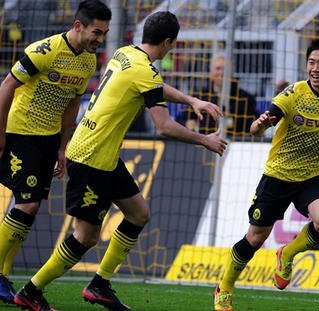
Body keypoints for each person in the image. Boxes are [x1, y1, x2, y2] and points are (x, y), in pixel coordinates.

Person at [13, 11, 227, 311]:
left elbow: (153, 86)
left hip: (104, 156)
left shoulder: (125, 54)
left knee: (139, 213)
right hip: (90, 158)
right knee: (86, 237)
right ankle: (31, 290)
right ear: (168, 43)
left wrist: (192, 101)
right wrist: (205, 140)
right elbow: (164, 125)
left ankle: (100, 285)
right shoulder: (146, 72)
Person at [213, 37, 319, 311]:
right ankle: (224, 287)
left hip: (315, 174)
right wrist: (259, 126)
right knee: (255, 238)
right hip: (279, 175)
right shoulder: (294, 93)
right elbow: (261, 124)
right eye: (310, 62)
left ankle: (288, 253)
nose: (314, 68)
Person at [0, 0, 111, 305]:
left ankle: (3, 276)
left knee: (28, 209)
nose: (99, 40)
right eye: (96, 32)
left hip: (48, 140)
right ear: (78, 26)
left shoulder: (88, 61)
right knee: (27, 205)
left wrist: (63, 146)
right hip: (20, 132)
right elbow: (7, 84)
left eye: (104, 34)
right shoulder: (44, 50)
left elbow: (73, 104)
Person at [176, 54, 259, 137]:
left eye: (225, 69)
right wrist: (187, 123)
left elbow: (255, 126)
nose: (221, 73)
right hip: (205, 143)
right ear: (210, 72)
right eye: (218, 69)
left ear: (231, 73)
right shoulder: (200, 97)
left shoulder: (246, 99)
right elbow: (180, 119)